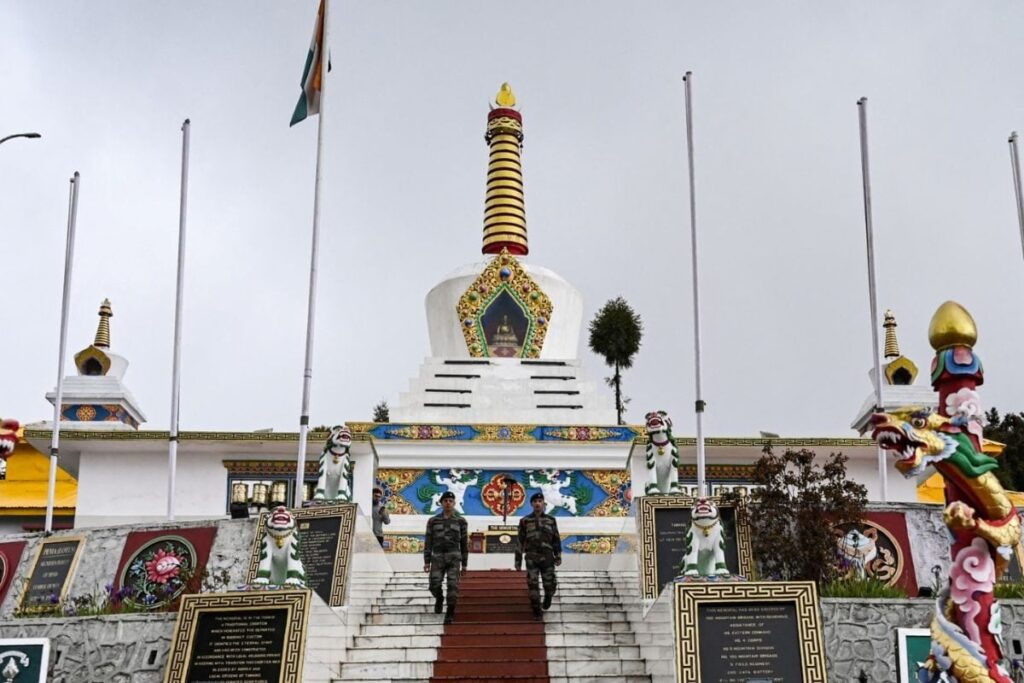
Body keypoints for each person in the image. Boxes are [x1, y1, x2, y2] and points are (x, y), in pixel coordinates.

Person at [424, 490, 468, 624]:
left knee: (453, 586)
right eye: (445, 501)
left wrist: (465, 564)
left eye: (450, 501)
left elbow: (464, 543)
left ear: (454, 503)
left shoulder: (461, 521)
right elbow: (428, 541)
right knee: (434, 585)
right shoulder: (433, 521)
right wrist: (427, 561)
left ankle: (450, 613)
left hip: (454, 556)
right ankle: (439, 598)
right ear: (441, 503)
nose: (448, 503)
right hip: (437, 556)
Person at [515, 492, 561, 619]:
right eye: (535, 502)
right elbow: (520, 541)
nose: (537, 504)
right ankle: (536, 611)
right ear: (531, 504)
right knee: (532, 585)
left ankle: (548, 597)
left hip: (547, 557)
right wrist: (517, 561)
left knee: (549, 585)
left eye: (540, 501)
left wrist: (558, 555)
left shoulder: (551, 520)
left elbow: (556, 539)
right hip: (532, 557)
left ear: (543, 504)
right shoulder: (524, 521)